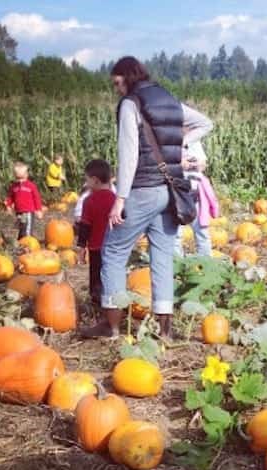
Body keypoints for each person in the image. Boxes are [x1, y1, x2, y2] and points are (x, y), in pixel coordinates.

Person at [80, 56, 213, 339]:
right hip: (171, 191)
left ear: (127, 77)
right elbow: (205, 123)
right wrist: (176, 146)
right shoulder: (167, 98)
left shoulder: (131, 103)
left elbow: (128, 156)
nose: (116, 89)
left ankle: (112, 324)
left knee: (113, 251)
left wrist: (120, 198)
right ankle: (165, 330)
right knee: (162, 256)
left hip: (143, 189)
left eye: (117, 83)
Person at [76, 159, 116, 305]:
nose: (86, 184)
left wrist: (81, 248)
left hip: (96, 248)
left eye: (87, 180)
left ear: (95, 180)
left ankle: (96, 302)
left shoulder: (89, 201)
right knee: (111, 274)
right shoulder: (116, 200)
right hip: (114, 247)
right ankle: (112, 301)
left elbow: (85, 227)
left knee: (96, 277)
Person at [174, 140, 219, 258]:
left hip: (196, 197)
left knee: (201, 231)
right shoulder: (172, 142)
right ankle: (176, 261)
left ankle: (204, 260)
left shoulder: (195, 142)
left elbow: (203, 163)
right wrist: (180, 164)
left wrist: (197, 163)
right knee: (175, 233)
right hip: (177, 196)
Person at [4, 162, 44, 240]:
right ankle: (20, 241)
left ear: (26, 175)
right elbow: (10, 197)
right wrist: (8, 205)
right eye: (18, 178)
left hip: (28, 211)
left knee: (28, 229)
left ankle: (28, 243)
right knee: (21, 227)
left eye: (22, 178)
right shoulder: (14, 187)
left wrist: (38, 210)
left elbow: (37, 198)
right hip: (19, 211)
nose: (20, 181)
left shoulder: (31, 186)